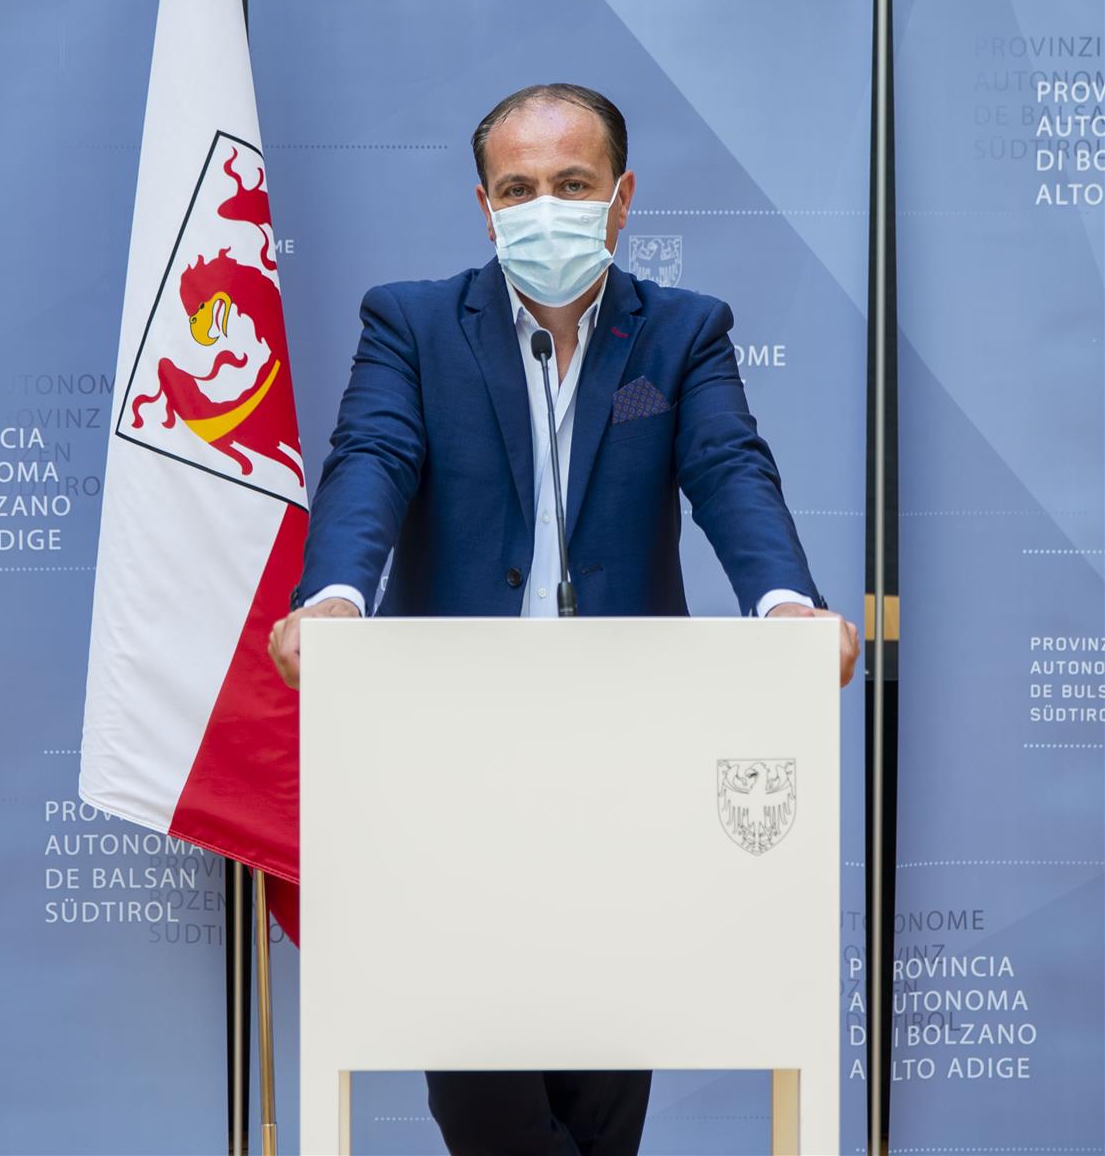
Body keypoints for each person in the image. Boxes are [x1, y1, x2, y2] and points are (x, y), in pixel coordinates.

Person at [268, 82, 860, 1156]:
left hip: (627, 757)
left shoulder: (681, 334)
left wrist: (787, 605)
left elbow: (729, 468)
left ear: (622, 198)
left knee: (599, 1090)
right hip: (453, 759)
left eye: (573, 184)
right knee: (481, 1087)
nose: (545, 207)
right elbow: (372, 459)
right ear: (486, 206)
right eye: (518, 188)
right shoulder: (410, 324)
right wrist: (337, 596)